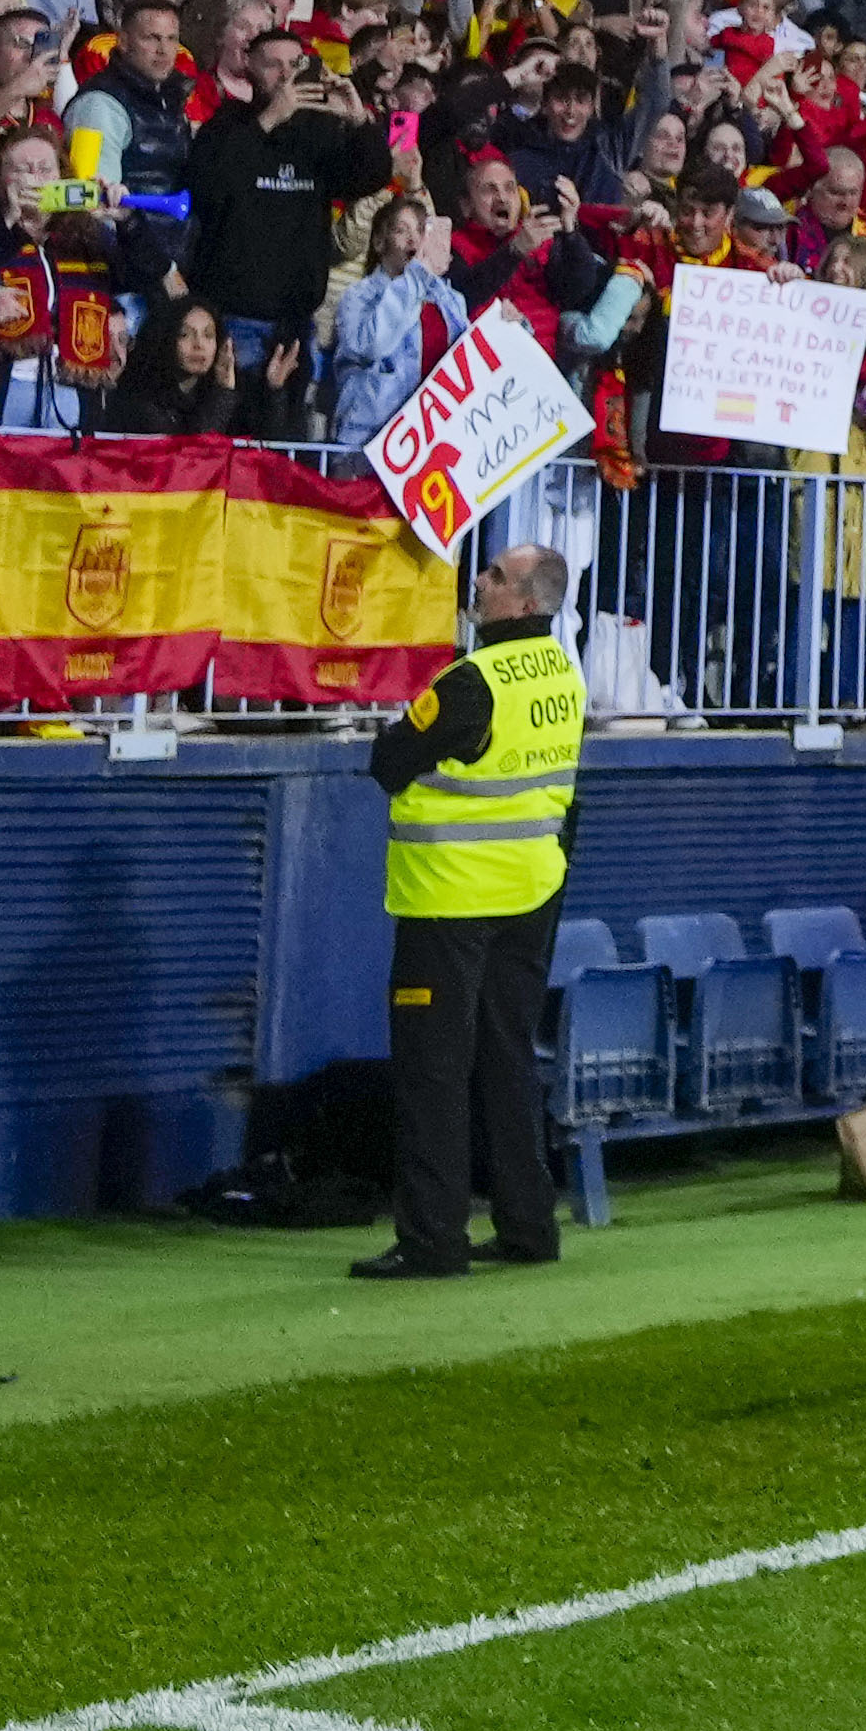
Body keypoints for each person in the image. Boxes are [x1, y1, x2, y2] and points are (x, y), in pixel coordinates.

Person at [359, 540, 587, 1277]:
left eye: (494, 575)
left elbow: (388, 763)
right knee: (509, 1059)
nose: (480, 582)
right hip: (533, 892)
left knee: (433, 1070)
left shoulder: (470, 682)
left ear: (523, 602)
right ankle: (528, 1226)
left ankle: (433, 1239)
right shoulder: (564, 673)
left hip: (451, 895)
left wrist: (395, 729)